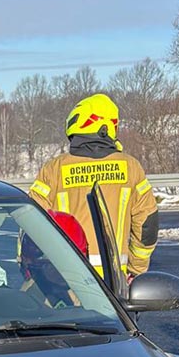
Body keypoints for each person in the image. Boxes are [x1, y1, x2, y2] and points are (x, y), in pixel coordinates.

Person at [29, 93, 158, 282]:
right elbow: (147, 224)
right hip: (113, 285)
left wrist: (33, 269)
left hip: (64, 281)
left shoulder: (54, 169)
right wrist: (136, 270)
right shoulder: (130, 168)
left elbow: (31, 220)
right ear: (107, 127)